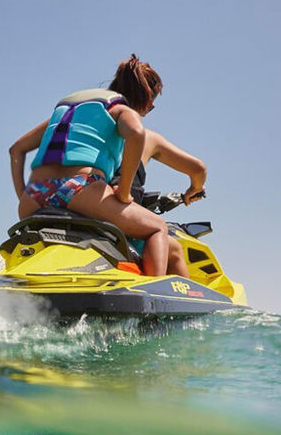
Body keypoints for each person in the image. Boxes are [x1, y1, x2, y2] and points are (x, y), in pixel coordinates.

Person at [9, 54, 170, 275]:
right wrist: (124, 192)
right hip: (79, 188)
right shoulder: (120, 108)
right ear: (142, 97)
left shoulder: (69, 112)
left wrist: (24, 196)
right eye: (151, 105)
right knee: (157, 227)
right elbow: (136, 133)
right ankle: (154, 293)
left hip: (34, 198)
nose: (149, 108)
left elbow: (16, 149)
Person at [120, 131, 207, 277]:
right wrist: (195, 189)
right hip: (120, 217)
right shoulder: (145, 137)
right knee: (174, 249)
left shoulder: (83, 126)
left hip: (80, 202)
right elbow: (198, 169)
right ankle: (160, 288)